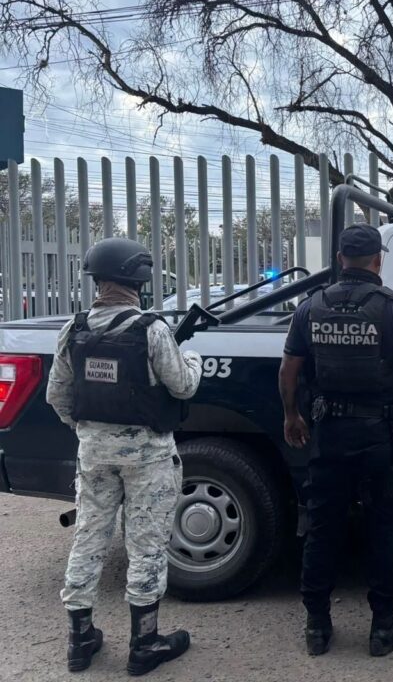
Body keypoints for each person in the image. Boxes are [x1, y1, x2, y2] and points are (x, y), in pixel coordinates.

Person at [279, 223, 393, 658]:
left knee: (322, 527)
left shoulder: (310, 307)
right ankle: (382, 627)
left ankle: (317, 626)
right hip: (377, 435)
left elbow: (288, 370)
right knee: (383, 527)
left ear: (341, 259)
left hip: (329, 433)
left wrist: (292, 414)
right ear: (378, 260)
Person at [46, 237, 203, 676]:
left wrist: (88, 432)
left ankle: (80, 641)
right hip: (148, 458)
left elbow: (57, 395)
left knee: (88, 539)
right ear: (140, 279)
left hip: (94, 455)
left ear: (97, 279)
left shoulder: (73, 329)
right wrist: (193, 358)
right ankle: (145, 644)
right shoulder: (151, 329)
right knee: (146, 545)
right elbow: (183, 386)